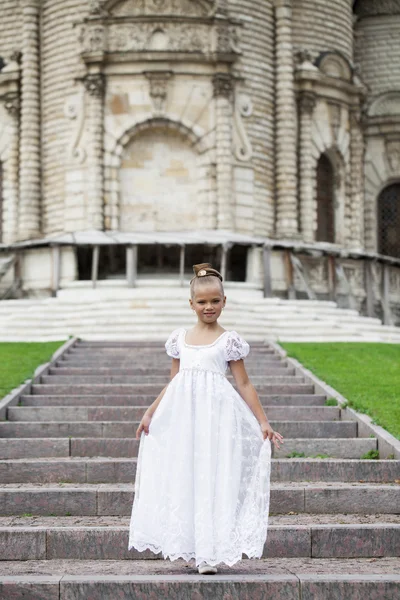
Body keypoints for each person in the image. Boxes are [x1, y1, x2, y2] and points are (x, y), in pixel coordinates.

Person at [128, 262, 284, 574]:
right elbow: (174, 382)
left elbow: (243, 383)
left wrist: (263, 421)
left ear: (224, 302)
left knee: (212, 476)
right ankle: (191, 544)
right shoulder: (180, 340)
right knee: (187, 475)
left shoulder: (229, 341)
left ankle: (209, 553)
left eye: (215, 301)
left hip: (217, 419)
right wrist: (150, 412)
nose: (208, 307)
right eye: (202, 302)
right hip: (184, 420)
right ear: (191, 304)